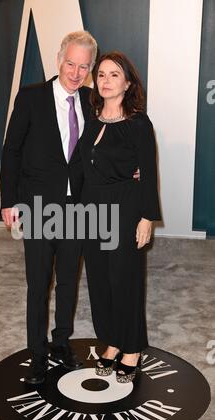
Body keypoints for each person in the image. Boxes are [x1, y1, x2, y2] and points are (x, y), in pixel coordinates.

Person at [0, 31, 98, 384]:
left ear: (90, 69)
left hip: (78, 211)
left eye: (83, 66)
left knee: (69, 282)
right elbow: (11, 151)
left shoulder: (92, 101)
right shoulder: (31, 98)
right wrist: (9, 201)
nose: (75, 72)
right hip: (39, 208)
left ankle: (61, 343)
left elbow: (101, 151)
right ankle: (37, 356)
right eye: (70, 63)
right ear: (59, 59)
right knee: (38, 284)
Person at [79, 51, 161, 383]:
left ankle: (132, 348)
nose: (106, 80)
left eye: (114, 75)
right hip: (91, 207)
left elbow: (149, 173)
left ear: (127, 83)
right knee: (99, 280)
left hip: (125, 207)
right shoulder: (91, 116)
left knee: (124, 279)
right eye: (101, 75)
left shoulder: (138, 123)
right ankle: (111, 341)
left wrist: (147, 217)